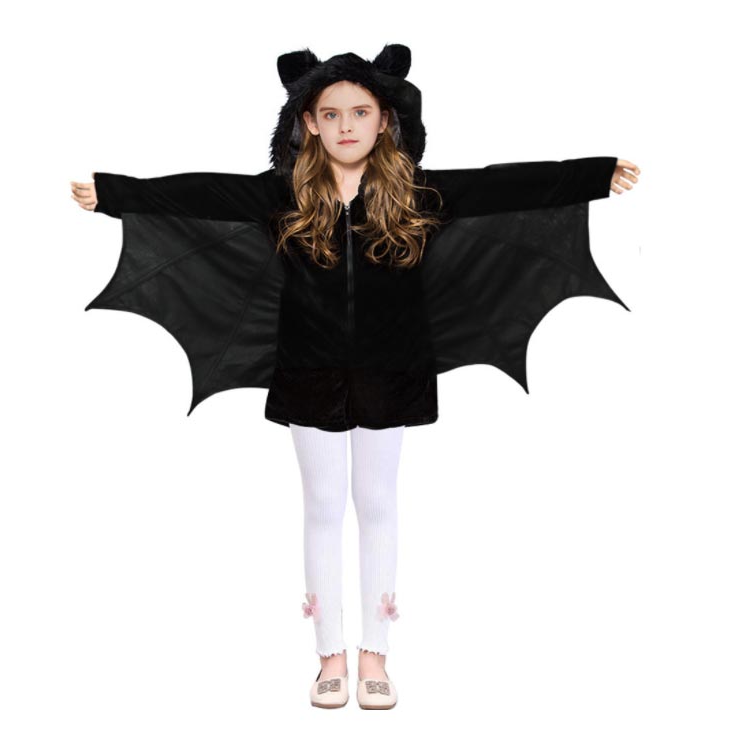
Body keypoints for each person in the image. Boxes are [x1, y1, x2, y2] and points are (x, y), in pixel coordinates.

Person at [71, 45, 640, 710]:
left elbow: (506, 184)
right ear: (309, 122)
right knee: (321, 508)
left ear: (385, 119)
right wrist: (115, 194)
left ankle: (375, 653)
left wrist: (593, 175)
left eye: (361, 112)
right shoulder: (284, 193)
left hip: (392, 368)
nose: (346, 125)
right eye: (331, 113)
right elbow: (199, 191)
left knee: (377, 505)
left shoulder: (418, 193)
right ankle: (329, 657)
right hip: (307, 368)